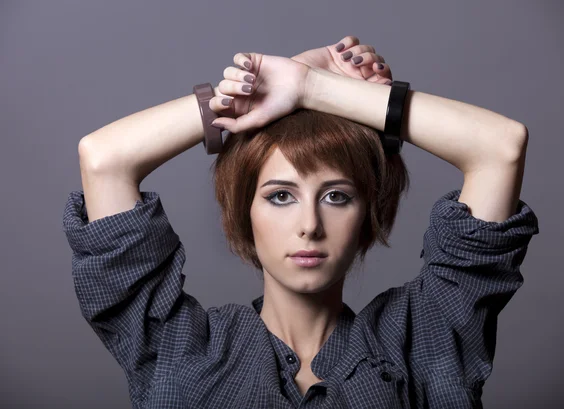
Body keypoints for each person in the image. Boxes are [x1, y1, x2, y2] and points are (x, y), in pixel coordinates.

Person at [63, 35, 539, 408]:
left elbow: (500, 148)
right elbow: (103, 159)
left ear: (367, 213)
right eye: (280, 196)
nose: (309, 224)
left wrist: (313, 86)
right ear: (243, 211)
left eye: (336, 196)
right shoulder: (179, 349)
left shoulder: (425, 339)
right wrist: (245, 98)